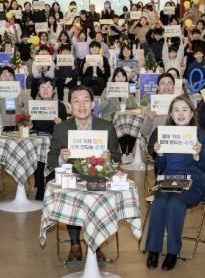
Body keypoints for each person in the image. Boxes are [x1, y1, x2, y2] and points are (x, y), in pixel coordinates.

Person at [46, 86, 121, 262]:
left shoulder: (106, 127)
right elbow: (51, 159)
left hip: (99, 177)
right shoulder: (61, 128)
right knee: (71, 195)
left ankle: (97, 244)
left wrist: (109, 158)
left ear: (93, 104)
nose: (81, 105)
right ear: (70, 106)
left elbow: (117, 157)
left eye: (86, 100)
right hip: (73, 177)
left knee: (99, 198)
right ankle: (75, 244)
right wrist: (62, 158)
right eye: (76, 101)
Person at [145, 95, 205, 271]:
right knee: (159, 202)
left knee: (175, 202)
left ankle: (173, 252)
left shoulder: (202, 135)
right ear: (171, 114)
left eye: (185, 110)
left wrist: (197, 155)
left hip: (194, 182)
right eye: (176, 110)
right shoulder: (165, 134)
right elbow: (161, 167)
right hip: (169, 180)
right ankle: (153, 250)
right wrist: (160, 154)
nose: (180, 114)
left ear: (192, 113)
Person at [19, 78, 67, 200]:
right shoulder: (33, 105)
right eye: (42, 87)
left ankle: (50, 189)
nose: (45, 90)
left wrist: (60, 124)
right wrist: (28, 124)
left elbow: (65, 129)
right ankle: (40, 189)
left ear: (54, 90)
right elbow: (28, 126)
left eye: (48, 87)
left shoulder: (60, 106)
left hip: (53, 140)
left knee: (53, 161)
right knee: (38, 164)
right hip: (37, 140)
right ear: (38, 91)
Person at [100, 68, 139, 162]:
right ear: (114, 78)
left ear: (126, 78)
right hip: (110, 118)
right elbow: (101, 109)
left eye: (123, 76)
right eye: (118, 76)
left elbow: (134, 106)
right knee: (123, 122)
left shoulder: (128, 90)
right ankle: (125, 153)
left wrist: (128, 98)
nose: (120, 79)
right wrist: (107, 100)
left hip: (125, 118)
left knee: (134, 123)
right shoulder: (107, 90)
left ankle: (128, 152)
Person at [140, 73, 176, 141]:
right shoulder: (151, 106)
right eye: (163, 83)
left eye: (169, 83)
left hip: (174, 142)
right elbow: (143, 132)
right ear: (158, 87)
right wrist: (149, 120)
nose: (166, 86)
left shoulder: (179, 105)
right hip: (155, 143)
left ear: (174, 87)